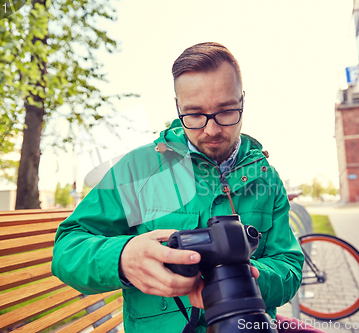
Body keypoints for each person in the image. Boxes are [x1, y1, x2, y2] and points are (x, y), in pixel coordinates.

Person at [52, 42, 305, 333]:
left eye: (226, 111)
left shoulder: (266, 177)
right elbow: (67, 248)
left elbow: (289, 263)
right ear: (177, 107)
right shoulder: (138, 169)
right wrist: (122, 257)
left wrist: (250, 278)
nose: (211, 130)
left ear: (242, 101)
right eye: (195, 114)